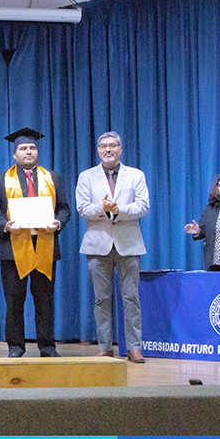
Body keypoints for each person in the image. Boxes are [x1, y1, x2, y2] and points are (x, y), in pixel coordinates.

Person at [0, 128, 70, 358]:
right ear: (15, 154)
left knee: (45, 301)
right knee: (14, 301)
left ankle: (47, 347)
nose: (28, 151)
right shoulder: (1, 179)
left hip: (45, 246)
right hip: (12, 249)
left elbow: (64, 209)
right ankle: (15, 347)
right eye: (23, 148)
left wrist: (57, 223)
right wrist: (5, 225)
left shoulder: (52, 178)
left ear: (37, 151)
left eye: (32, 147)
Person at [76, 131, 150, 363]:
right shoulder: (86, 176)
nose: (107, 149)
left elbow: (143, 206)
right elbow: (82, 208)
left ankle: (134, 348)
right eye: (103, 146)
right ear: (98, 150)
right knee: (101, 299)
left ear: (120, 149)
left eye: (112, 145)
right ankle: (104, 347)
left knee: (131, 298)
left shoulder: (135, 175)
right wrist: (103, 208)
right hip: (97, 245)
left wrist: (119, 210)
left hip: (129, 244)